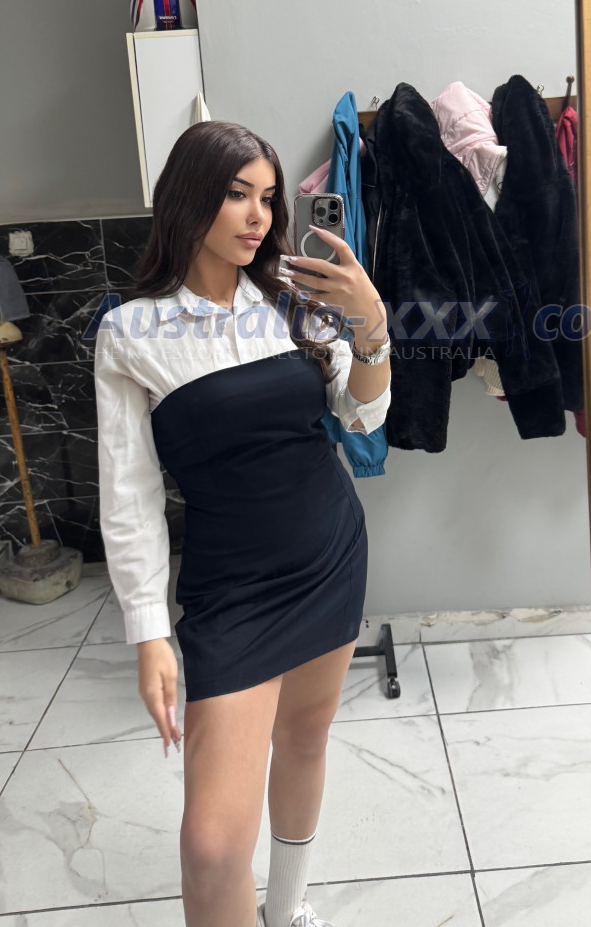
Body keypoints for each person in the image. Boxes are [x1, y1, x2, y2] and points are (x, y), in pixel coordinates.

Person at [93, 120, 391, 927]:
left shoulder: (294, 296)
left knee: (305, 738)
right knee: (213, 846)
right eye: (236, 194)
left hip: (329, 553)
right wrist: (148, 632)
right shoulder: (131, 333)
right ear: (190, 198)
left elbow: (362, 417)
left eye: (267, 198)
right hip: (232, 593)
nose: (258, 216)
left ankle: (287, 910)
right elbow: (128, 496)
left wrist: (371, 326)